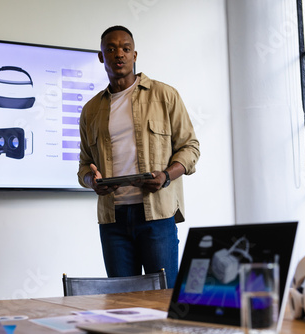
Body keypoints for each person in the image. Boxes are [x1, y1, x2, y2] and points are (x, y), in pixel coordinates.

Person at [77, 25, 200, 288]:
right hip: (113, 221)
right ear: (101, 57)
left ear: (135, 55)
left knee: (163, 299)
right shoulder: (90, 110)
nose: (118, 54)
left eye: (125, 48)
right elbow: (84, 165)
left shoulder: (164, 95)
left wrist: (166, 176)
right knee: (122, 304)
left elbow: (190, 147)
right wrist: (92, 181)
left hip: (157, 216)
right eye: (110, 49)